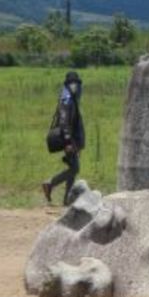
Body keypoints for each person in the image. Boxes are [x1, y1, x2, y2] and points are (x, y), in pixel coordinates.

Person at [43, 70, 86, 206]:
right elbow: (64, 122)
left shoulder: (71, 99)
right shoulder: (66, 100)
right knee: (74, 169)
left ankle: (67, 200)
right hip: (68, 139)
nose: (75, 85)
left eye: (76, 83)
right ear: (68, 85)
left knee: (73, 167)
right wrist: (68, 142)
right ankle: (50, 183)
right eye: (72, 83)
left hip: (72, 140)